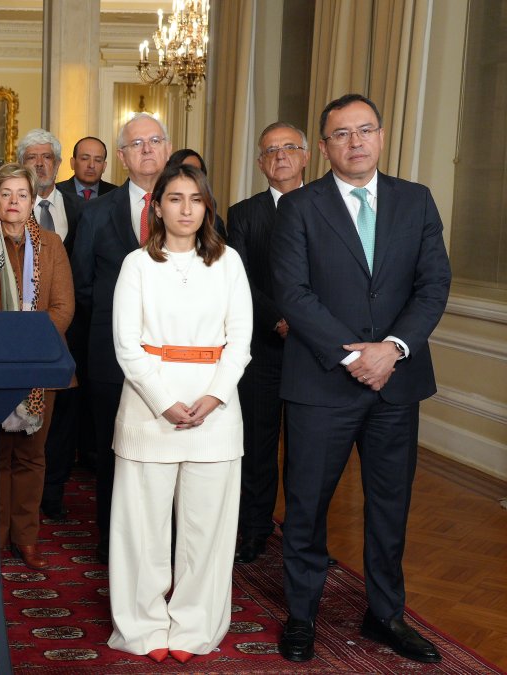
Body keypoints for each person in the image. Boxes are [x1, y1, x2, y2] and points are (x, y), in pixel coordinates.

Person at [272, 94, 451, 664]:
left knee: (390, 505)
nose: (355, 142)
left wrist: (392, 349)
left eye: (365, 130)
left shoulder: (416, 201)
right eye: (342, 134)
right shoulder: (299, 207)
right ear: (323, 147)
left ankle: (385, 614)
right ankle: (302, 616)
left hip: (396, 384)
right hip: (322, 384)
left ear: (380, 135)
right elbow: (293, 294)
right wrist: (355, 357)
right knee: (306, 505)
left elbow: (433, 285)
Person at [107, 163, 252, 663]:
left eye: (195, 198)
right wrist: (164, 401)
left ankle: (194, 628)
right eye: (174, 198)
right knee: (141, 529)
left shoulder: (229, 262)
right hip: (150, 412)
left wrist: (213, 398)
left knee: (205, 531)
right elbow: (127, 345)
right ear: (158, 205)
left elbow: (241, 341)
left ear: (207, 206)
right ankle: (143, 627)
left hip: (216, 412)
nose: (186, 208)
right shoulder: (137, 264)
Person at [71, 112, 171, 565]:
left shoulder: (190, 203)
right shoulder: (95, 212)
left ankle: (163, 542)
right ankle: (112, 538)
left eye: (155, 140)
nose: (147, 148)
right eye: (137, 143)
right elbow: (83, 283)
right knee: (114, 450)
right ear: (124, 156)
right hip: (110, 354)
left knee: (168, 452)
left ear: (166, 149)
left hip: (177, 357)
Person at [0, 163, 74, 569]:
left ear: (33, 201)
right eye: (6, 194)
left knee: (32, 455)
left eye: (22, 195)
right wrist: (2, 349)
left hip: (39, 366)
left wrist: (30, 347)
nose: (14, 202)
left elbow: (63, 307)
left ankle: (26, 537)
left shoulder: (52, 245)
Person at [226, 122, 309, 564]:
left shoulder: (327, 206)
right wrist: (279, 320)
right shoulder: (243, 214)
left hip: (315, 352)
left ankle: (305, 537)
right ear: (260, 163)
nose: (280, 157)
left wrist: (309, 326)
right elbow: (239, 278)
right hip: (261, 349)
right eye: (270, 151)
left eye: (289, 148)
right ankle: (254, 530)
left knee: (308, 451)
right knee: (257, 447)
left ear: (305, 156)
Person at [17, 129, 88, 523]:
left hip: (69, 335)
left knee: (62, 423)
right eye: (33, 158)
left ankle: (54, 494)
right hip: (18, 342)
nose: (41, 164)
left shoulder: (81, 209)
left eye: (48, 158)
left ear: (59, 166)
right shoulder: (4, 215)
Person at [56, 136, 118, 200]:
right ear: (73, 163)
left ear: (104, 166)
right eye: (85, 159)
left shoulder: (116, 194)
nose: (91, 165)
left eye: (98, 160)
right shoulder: (56, 192)